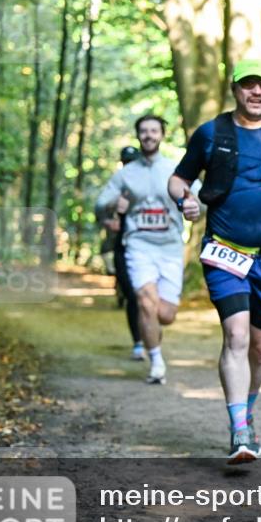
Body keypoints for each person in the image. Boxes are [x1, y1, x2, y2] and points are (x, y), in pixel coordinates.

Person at [168, 59, 261, 464]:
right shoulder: (211, 133)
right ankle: (239, 429)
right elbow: (179, 179)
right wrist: (184, 200)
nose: (256, 92)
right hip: (224, 250)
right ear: (235, 89)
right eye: (248, 85)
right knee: (237, 337)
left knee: (260, 347)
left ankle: (248, 411)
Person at [95, 115, 183, 384]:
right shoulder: (125, 175)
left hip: (170, 247)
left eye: (154, 130)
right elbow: (100, 205)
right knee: (145, 301)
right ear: (138, 136)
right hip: (139, 246)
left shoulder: (176, 169)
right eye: (143, 131)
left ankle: (151, 331)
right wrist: (111, 213)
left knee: (164, 314)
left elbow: (200, 201)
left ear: (162, 135)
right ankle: (156, 361)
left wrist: (192, 206)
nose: (148, 135)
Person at [100, 146, 145, 360]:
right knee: (133, 296)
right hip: (120, 246)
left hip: (147, 248)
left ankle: (150, 339)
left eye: (132, 161)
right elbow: (101, 209)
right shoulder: (115, 185)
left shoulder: (147, 185)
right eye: (125, 162)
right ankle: (138, 342)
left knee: (147, 296)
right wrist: (110, 219)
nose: (129, 166)